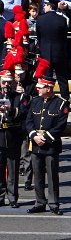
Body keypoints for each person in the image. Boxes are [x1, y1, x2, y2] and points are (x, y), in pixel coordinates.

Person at [25, 60, 70, 214]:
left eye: (40, 87)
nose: (37, 89)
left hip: (51, 144)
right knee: (37, 175)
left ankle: (53, 203)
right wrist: (34, 136)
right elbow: (29, 120)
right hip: (36, 143)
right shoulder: (35, 101)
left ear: (49, 88)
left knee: (52, 176)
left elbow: (61, 125)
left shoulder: (61, 103)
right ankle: (40, 202)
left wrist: (46, 137)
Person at [0, 57, 29, 208]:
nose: (6, 85)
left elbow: (24, 112)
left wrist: (11, 110)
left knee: (13, 169)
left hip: (12, 136)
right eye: (4, 82)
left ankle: (12, 198)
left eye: (9, 82)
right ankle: (0, 196)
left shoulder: (18, 97)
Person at [36, 0, 71, 100]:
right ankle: (65, 99)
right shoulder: (62, 20)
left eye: (45, 5)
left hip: (45, 52)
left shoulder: (40, 19)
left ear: (49, 6)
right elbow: (64, 36)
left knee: (47, 78)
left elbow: (39, 36)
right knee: (62, 78)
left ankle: (47, 98)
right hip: (59, 52)